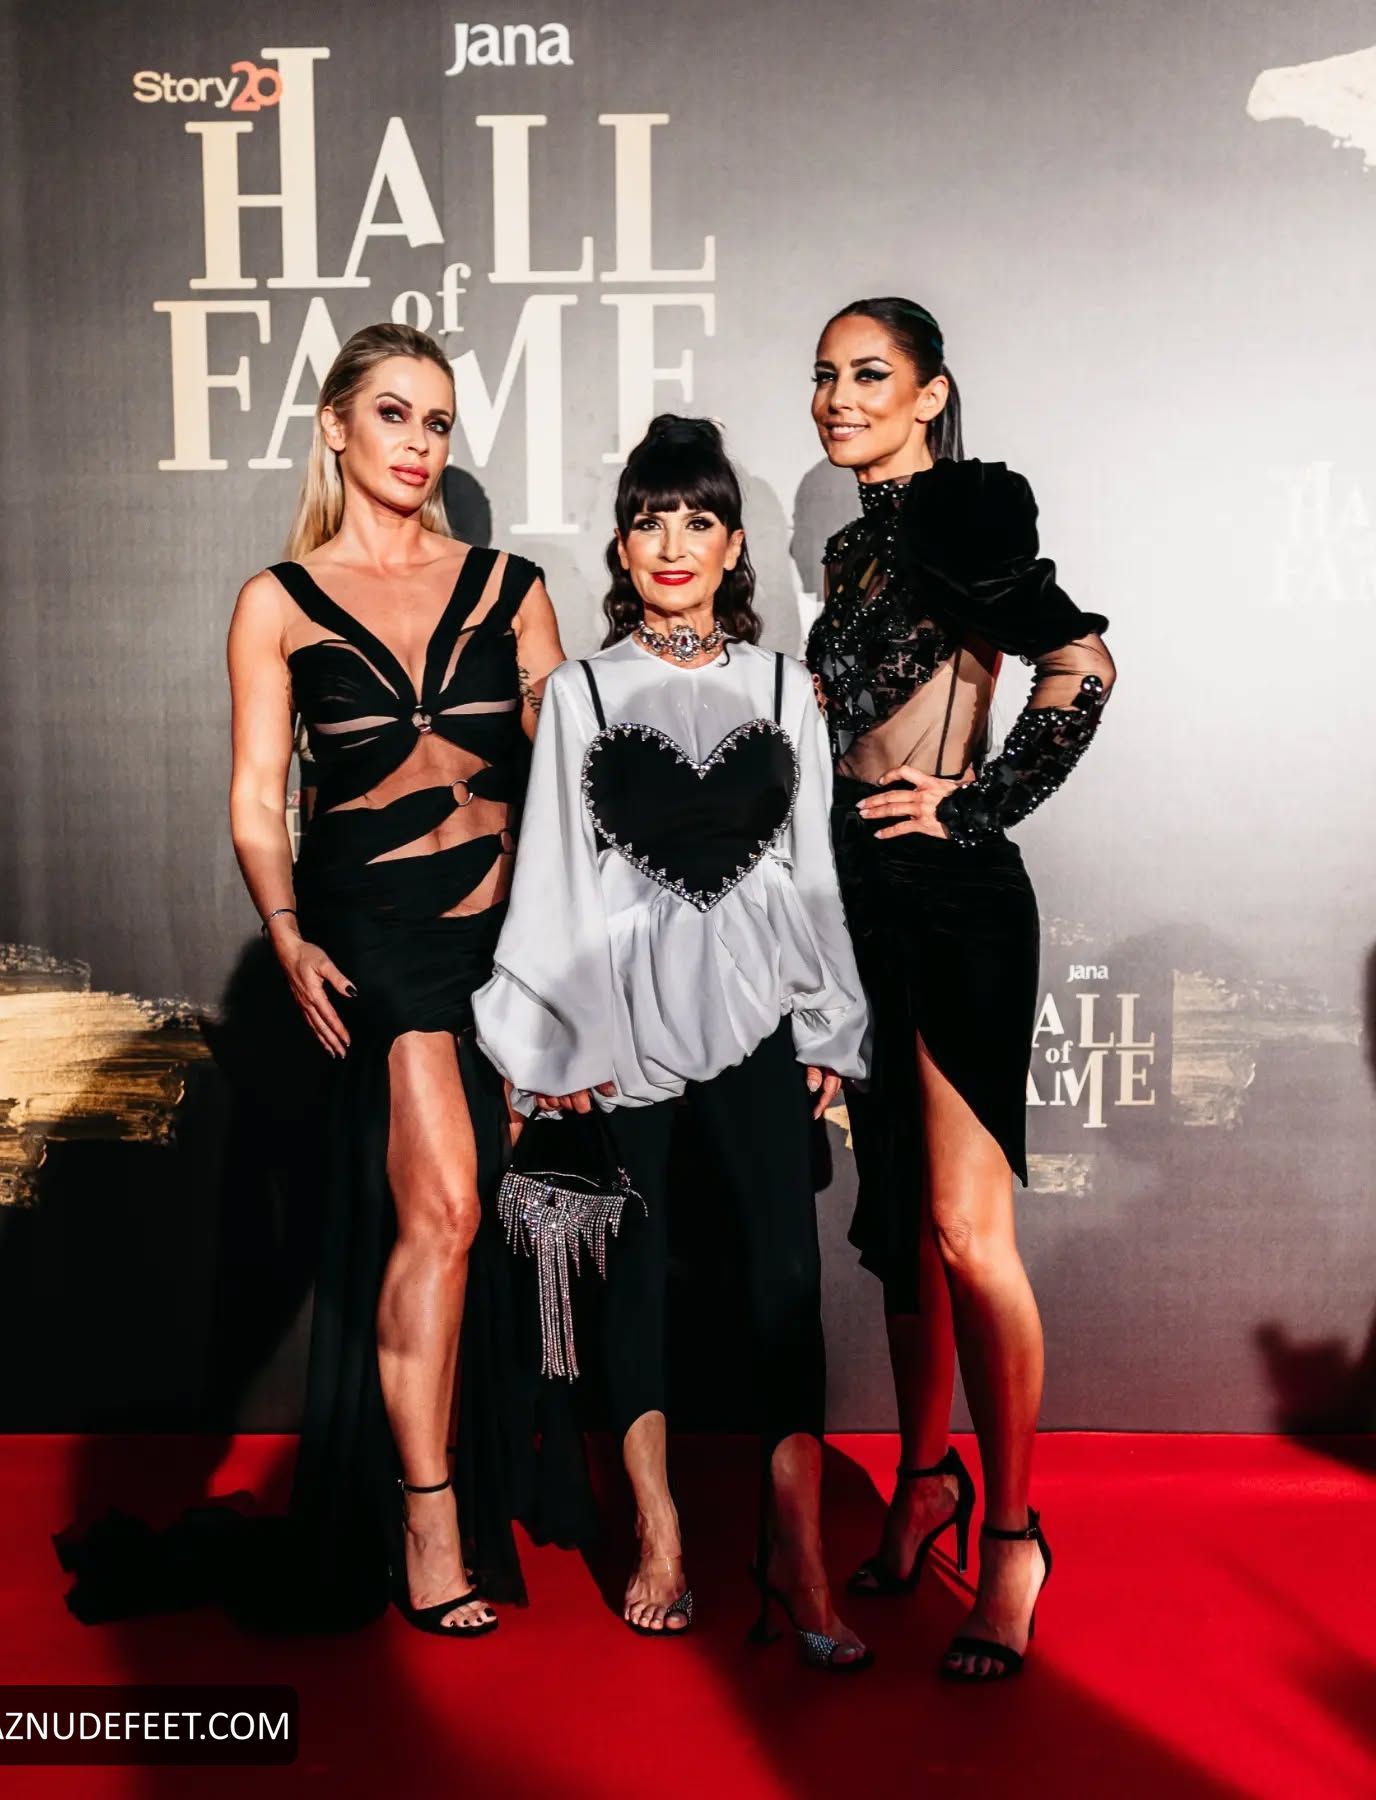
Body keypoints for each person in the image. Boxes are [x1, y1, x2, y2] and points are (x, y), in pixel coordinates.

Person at [56, 323, 564, 1637]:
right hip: (375, 936)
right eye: (392, 413)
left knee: (460, 1224)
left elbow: (569, 772)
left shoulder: (512, 586)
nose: (418, 443)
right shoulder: (276, 602)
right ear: (335, 425)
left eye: (438, 421)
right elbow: (255, 793)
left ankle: (444, 1476)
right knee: (446, 1209)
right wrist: (284, 932)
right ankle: (428, 1514)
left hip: (503, 938)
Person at [473, 415, 874, 1671]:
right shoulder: (580, 694)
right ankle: (659, 1531)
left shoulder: (784, 690)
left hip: (759, 1013)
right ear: (622, 544)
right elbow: (555, 872)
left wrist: (831, 1016)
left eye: (699, 520)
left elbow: (813, 870)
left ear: (735, 545)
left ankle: (798, 1551)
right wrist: (560, 1038)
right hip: (624, 1020)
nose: (673, 543)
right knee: (636, 1272)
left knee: (785, 1279)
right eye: (650, 520)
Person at [805, 297, 1116, 1681]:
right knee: (898, 1228)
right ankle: (923, 1480)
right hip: (859, 895)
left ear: (931, 394)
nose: (839, 396)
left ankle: (1013, 1537)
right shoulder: (851, 546)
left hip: (953, 902)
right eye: (825, 375)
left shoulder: (963, 511)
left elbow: (1081, 661)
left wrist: (978, 803)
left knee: (965, 1229)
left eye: (870, 374)